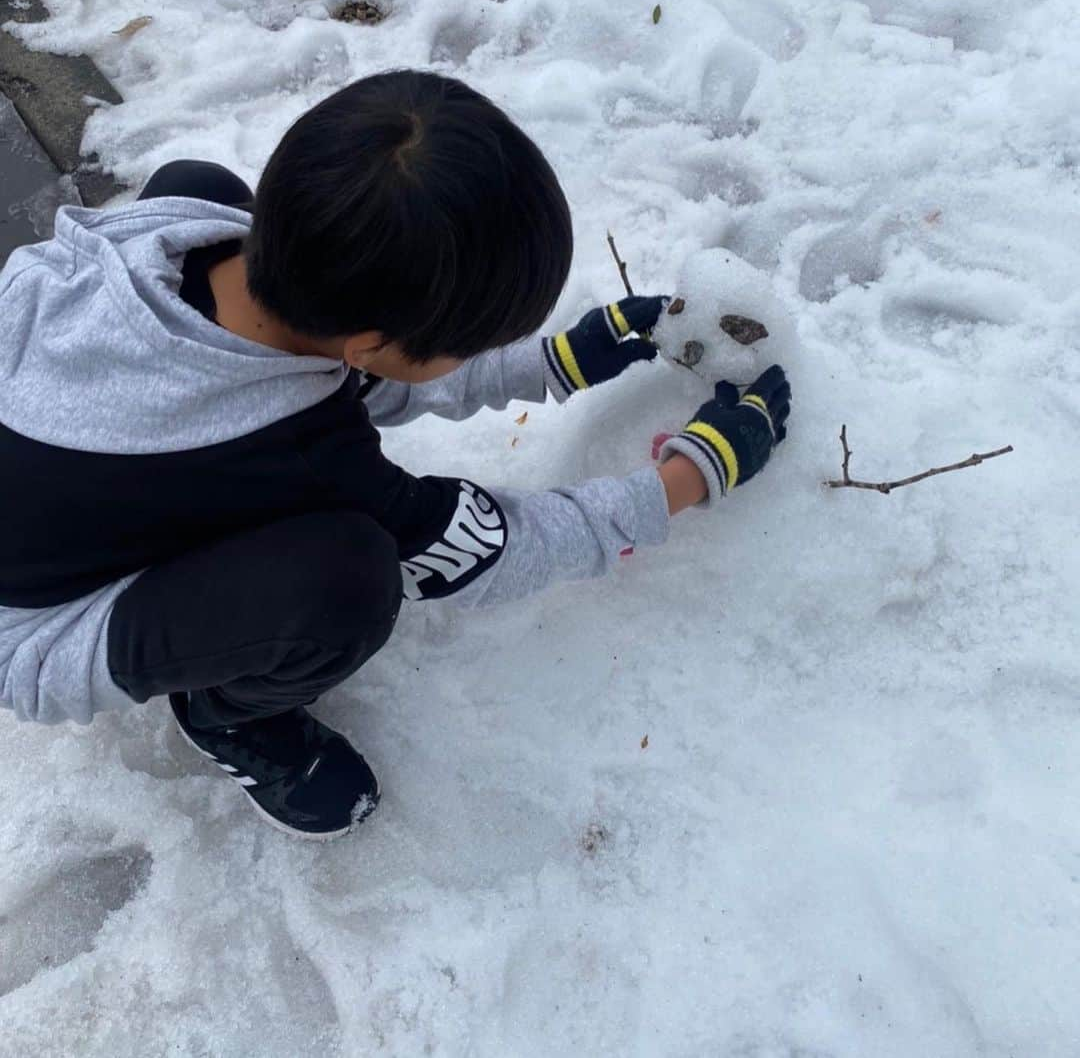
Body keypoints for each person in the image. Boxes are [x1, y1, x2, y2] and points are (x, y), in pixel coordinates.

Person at [0, 69, 790, 840]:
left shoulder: (190, 222)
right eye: (468, 347)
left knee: (201, 177)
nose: (476, 355)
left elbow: (347, 370)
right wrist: (693, 473)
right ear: (371, 345)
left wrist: (559, 361)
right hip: (29, 623)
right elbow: (495, 550)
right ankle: (232, 715)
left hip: (67, 476)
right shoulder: (310, 461)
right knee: (345, 581)